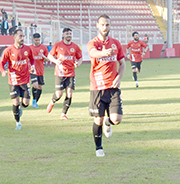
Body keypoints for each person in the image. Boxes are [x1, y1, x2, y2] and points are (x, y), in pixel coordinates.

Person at [87, 14, 125, 157]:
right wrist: (103, 53)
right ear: (97, 25)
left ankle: (108, 123)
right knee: (98, 119)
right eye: (102, 25)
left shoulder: (116, 43)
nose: (105, 27)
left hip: (113, 87)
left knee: (117, 120)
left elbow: (123, 64)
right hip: (97, 87)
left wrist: (119, 77)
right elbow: (93, 53)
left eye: (107, 25)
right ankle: (98, 148)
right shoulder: (93, 43)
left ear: (110, 26)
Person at [0, 28, 34, 130]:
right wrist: (3, 71)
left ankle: (21, 107)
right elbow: (1, 63)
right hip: (13, 80)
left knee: (26, 103)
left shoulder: (27, 49)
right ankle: (18, 122)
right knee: (15, 102)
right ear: (15, 37)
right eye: (20, 36)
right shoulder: (8, 50)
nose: (22, 38)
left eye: (23, 36)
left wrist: (32, 66)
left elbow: (31, 59)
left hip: (25, 79)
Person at [46, 28, 83, 120]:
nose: (69, 35)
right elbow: (49, 56)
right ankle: (52, 102)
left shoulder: (75, 46)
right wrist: (56, 61)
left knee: (69, 94)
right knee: (59, 94)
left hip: (71, 73)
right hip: (60, 73)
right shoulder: (58, 45)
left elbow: (80, 58)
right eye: (67, 33)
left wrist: (78, 63)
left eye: (70, 33)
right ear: (63, 35)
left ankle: (63, 114)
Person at [29, 33, 48, 108]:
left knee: (40, 87)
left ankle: (35, 101)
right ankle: (34, 100)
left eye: (39, 40)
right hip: (33, 70)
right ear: (33, 39)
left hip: (40, 70)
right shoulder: (29, 48)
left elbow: (47, 59)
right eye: (36, 40)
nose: (37, 41)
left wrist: (43, 56)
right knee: (35, 85)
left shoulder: (43, 48)